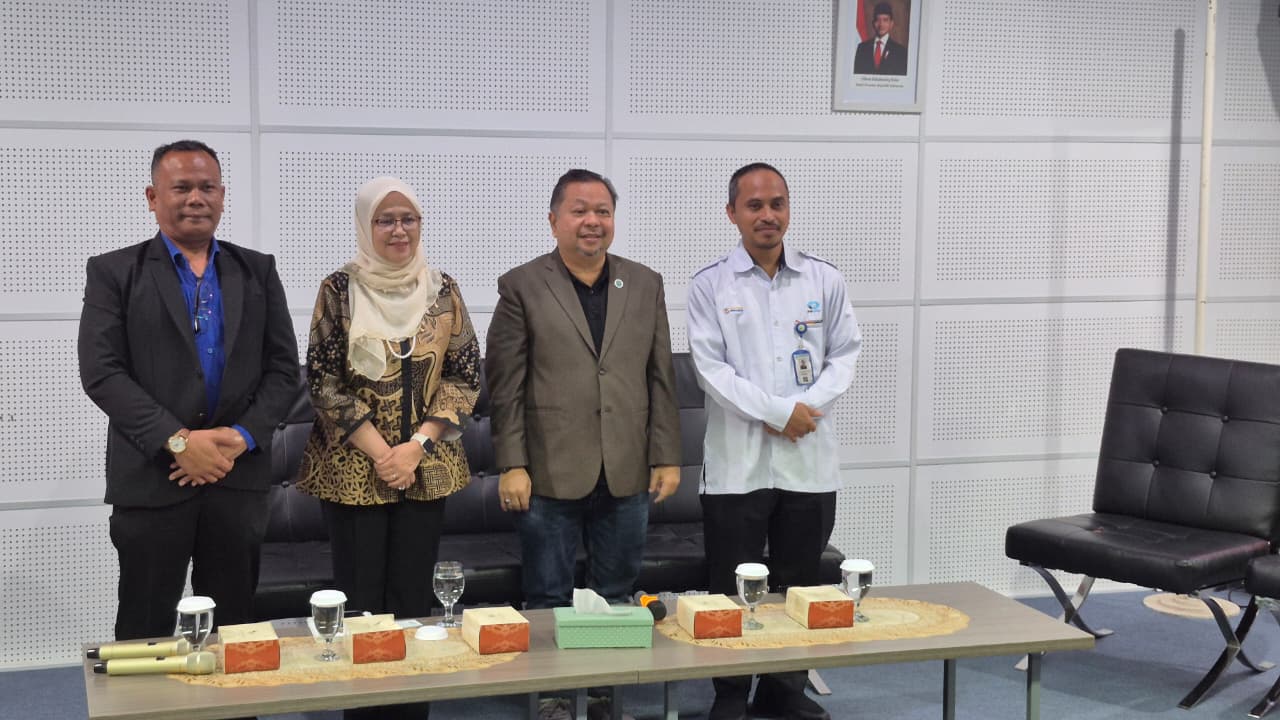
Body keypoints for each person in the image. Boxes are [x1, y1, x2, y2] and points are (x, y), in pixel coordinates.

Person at [78, 139, 299, 643]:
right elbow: (102, 372)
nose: (196, 198)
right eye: (181, 188)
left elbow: (284, 370)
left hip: (236, 475)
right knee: (145, 626)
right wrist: (179, 442)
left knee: (236, 631)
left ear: (222, 195)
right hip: (154, 477)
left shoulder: (257, 270)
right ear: (152, 197)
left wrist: (240, 438)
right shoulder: (114, 272)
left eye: (207, 187)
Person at [485, 169, 681, 720]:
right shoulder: (522, 285)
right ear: (554, 221)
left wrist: (667, 455)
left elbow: (660, 376)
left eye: (603, 211)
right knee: (548, 595)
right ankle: (551, 698)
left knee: (616, 593)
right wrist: (512, 464)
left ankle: (601, 695)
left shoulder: (644, 283)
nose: (592, 221)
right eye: (579, 211)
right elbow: (505, 386)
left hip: (627, 467)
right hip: (548, 469)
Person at [297, 177, 480, 720]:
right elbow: (323, 382)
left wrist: (416, 447)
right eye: (385, 220)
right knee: (361, 609)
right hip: (354, 472)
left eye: (408, 219)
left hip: (426, 467)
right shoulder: (339, 289)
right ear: (366, 225)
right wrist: (384, 454)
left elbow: (464, 375)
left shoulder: (443, 289)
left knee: (413, 607)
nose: (399, 230)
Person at [687, 163, 862, 720]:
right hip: (736, 465)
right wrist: (778, 412)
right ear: (732, 213)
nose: (768, 215)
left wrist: (802, 413)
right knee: (730, 586)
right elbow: (710, 370)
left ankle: (785, 690)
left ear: (788, 209)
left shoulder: (823, 279)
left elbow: (845, 354)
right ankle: (730, 693)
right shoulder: (710, 285)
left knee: (799, 583)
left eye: (777, 204)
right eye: (755, 205)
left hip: (807, 461)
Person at [854, 2, 909, 75]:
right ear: (873, 23)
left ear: (891, 24)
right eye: (878, 20)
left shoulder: (900, 52)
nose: (881, 24)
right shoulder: (862, 48)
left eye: (885, 20)